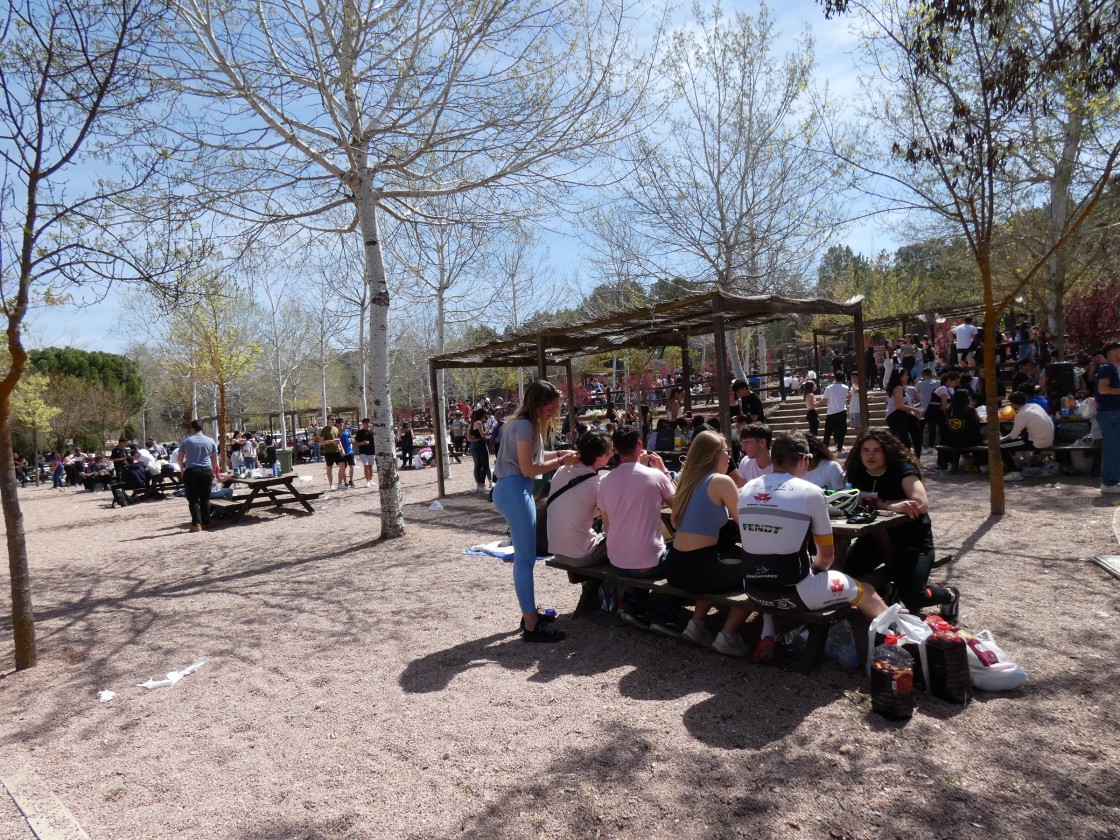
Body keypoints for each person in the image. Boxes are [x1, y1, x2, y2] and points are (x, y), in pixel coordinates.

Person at [739, 431, 889, 663]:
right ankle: (897, 644)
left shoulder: (747, 489)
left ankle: (767, 634)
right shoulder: (811, 492)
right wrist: (813, 568)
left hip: (754, 590)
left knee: (770, 568)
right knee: (865, 589)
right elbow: (826, 558)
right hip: (796, 594)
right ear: (804, 460)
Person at [842, 428, 960, 620]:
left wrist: (876, 502)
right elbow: (853, 499)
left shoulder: (901, 470)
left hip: (912, 542)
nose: (870, 455)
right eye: (866, 450)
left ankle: (949, 595)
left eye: (877, 450)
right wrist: (888, 504)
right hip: (873, 541)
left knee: (914, 598)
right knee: (843, 576)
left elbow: (920, 504)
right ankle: (886, 590)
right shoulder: (858, 473)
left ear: (887, 451)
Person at [491, 380, 576, 642]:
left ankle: (530, 613)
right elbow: (529, 469)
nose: (553, 412)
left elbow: (535, 457)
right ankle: (531, 623)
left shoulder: (519, 424)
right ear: (537, 403)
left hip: (511, 490)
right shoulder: (525, 425)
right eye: (550, 407)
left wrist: (561, 452)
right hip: (517, 491)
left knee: (525, 559)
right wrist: (562, 461)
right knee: (526, 560)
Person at [663, 430, 752, 655]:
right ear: (713, 454)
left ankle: (697, 625)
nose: (729, 457)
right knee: (760, 571)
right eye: (726, 452)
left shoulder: (686, 481)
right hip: (700, 570)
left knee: (726, 553)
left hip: (676, 566)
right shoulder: (721, 481)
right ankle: (728, 637)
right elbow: (746, 523)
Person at [597, 425, 679, 635]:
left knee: (646, 548)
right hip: (646, 563)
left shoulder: (605, 481)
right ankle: (665, 615)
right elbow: (680, 507)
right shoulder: (655, 476)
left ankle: (635, 606)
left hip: (615, 560)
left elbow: (607, 525)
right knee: (686, 562)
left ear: (614, 449)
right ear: (640, 446)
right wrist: (663, 471)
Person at [546, 429, 612, 569]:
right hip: (580, 556)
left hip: (557, 552)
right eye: (608, 452)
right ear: (597, 456)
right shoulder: (599, 482)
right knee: (626, 542)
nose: (611, 454)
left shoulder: (563, 469)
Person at [999, 390, 1055, 481]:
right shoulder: (1035, 406)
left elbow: (1013, 436)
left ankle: (1015, 472)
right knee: (1013, 441)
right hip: (1048, 438)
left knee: (1001, 447)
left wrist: (1001, 439)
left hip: (1037, 442)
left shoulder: (1021, 414)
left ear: (1012, 404)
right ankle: (1016, 464)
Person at [177, 419, 220, 533]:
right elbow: (215, 458)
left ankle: (196, 524)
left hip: (191, 470)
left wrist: (182, 469)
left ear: (192, 428)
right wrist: (214, 472)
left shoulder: (187, 441)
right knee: (205, 498)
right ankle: (206, 522)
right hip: (206, 470)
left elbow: (180, 457)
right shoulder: (210, 441)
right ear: (202, 428)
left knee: (193, 499)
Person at [1095, 341, 1120, 495]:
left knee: (1115, 448)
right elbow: (1103, 390)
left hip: (1112, 413)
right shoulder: (1106, 368)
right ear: (1112, 352)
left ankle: (1112, 480)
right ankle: (1108, 482)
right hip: (1109, 413)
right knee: (1112, 448)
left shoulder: (1112, 369)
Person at [885, 368, 923, 456]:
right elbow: (899, 406)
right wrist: (914, 409)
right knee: (904, 441)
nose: (908, 377)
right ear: (899, 377)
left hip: (900, 415)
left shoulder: (900, 388)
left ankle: (916, 456)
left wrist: (912, 411)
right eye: (905, 375)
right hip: (896, 415)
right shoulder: (898, 388)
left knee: (913, 434)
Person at [733, 422, 773, 487]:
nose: (743, 448)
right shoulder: (745, 462)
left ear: (762, 442)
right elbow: (741, 492)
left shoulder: (780, 464)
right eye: (742, 443)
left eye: (746, 442)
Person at [821, 371, 850, 454]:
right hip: (842, 411)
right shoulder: (846, 387)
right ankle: (839, 449)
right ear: (843, 378)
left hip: (831, 412)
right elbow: (847, 398)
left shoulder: (829, 388)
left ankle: (824, 449)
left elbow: (824, 400)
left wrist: (830, 403)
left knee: (828, 431)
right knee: (841, 431)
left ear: (835, 377)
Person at [467, 408, 492, 493]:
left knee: (478, 464)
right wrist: (489, 428)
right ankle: (482, 484)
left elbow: (470, 436)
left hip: (476, 444)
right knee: (485, 464)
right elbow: (483, 435)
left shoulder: (473, 423)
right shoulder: (478, 423)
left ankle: (478, 484)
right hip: (481, 443)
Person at [319, 414, 343, 490]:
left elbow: (338, 440)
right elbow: (321, 442)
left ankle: (339, 484)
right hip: (328, 452)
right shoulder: (324, 429)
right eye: (332, 419)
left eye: (334, 419)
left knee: (342, 466)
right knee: (329, 468)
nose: (334, 421)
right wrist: (332, 441)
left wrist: (342, 449)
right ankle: (331, 485)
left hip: (337, 451)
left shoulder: (336, 429)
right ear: (328, 420)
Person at [355, 418, 376, 487]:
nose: (368, 424)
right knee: (366, 466)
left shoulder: (373, 432)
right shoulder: (359, 432)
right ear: (363, 424)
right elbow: (356, 443)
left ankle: (371, 480)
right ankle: (368, 481)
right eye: (366, 422)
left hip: (371, 451)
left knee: (370, 466)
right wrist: (362, 443)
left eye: (369, 422)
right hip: (363, 452)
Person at [337, 418, 355, 486]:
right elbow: (338, 438)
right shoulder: (337, 432)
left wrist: (352, 440)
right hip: (342, 452)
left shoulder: (347, 431)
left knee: (352, 466)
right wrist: (340, 430)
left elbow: (350, 438)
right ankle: (345, 482)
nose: (341, 424)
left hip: (349, 451)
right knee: (343, 468)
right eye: (339, 423)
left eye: (342, 422)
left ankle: (351, 480)